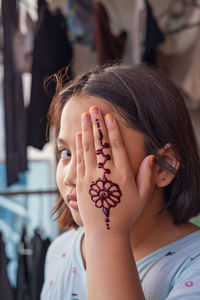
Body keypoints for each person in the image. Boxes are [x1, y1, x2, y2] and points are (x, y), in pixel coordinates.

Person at [41, 64, 200, 300]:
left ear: (164, 165)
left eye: (96, 153)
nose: (70, 177)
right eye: (66, 153)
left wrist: (107, 233)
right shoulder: (60, 251)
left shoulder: (192, 266)